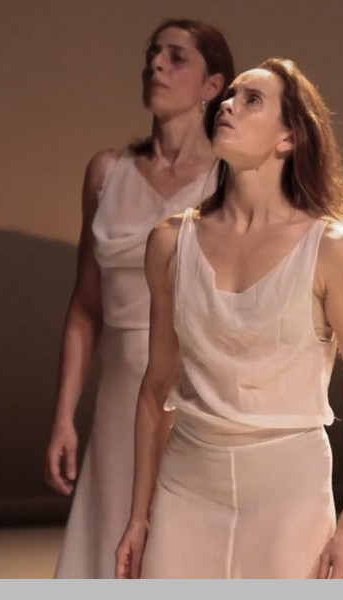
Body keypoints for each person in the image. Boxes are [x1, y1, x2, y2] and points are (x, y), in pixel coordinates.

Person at [114, 58, 343, 579]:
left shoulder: (331, 248)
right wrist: (138, 516)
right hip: (185, 488)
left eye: (251, 100)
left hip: (291, 497)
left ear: (289, 137)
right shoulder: (171, 242)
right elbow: (156, 387)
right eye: (229, 96)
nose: (227, 106)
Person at [45, 18, 234, 578]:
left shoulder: (229, 179)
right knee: (111, 549)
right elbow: (86, 306)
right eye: (153, 54)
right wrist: (63, 417)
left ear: (212, 85)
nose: (156, 64)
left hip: (197, 399)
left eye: (176, 57)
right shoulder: (108, 173)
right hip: (120, 401)